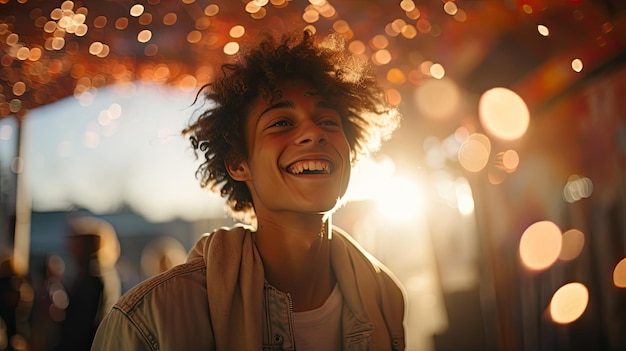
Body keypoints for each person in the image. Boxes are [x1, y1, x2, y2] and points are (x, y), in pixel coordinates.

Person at [91, 29, 405, 350]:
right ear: (239, 163)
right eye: (281, 122)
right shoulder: (150, 318)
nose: (313, 132)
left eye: (327, 121)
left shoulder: (386, 296)